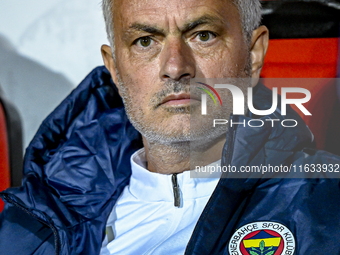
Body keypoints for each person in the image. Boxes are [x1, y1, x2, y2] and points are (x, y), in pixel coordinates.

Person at [0, 0, 339, 254]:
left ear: (253, 54)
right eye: (146, 41)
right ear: (115, 69)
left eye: (202, 35)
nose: (175, 67)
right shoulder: (30, 227)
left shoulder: (326, 206)